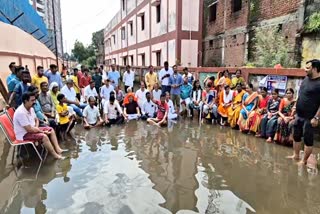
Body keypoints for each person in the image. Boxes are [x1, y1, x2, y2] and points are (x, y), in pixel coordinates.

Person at [288, 59, 320, 165]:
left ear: (315, 69)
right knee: (296, 136)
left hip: (310, 117)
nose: (305, 70)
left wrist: (316, 117)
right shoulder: (306, 79)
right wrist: (295, 107)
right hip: (299, 114)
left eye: (308, 68)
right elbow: (300, 94)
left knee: (307, 140)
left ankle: (304, 161)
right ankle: (295, 155)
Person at [13, 92, 64, 159]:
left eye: (35, 100)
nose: (34, 102)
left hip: (33, 129)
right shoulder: (21, 112)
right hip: (24, 135)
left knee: (50, 129)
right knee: (44, 136)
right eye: (32, 100)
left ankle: (58, 149)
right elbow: (29, 129)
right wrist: (41, 131)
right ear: (26, 101)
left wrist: (36, 128)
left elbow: (36, 119)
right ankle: (55, 156)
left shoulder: (31, 108)